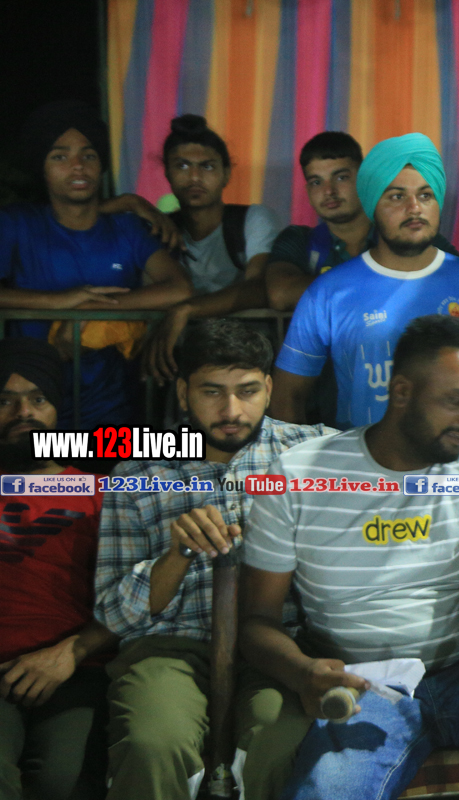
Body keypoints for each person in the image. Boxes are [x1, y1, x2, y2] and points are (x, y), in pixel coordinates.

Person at [239, 315, 459, 800]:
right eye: (456, 401)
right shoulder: (297, 476)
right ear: (401, 393)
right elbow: (256, 623)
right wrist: (303, 672)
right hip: (364, 682)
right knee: (326, 790)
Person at [92, 319, 334, 800]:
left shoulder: (316, 453)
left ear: (269, 389)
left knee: (280, 741)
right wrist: (176, 555)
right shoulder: (138, 470)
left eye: (248, 391)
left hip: (282, 645)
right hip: (168, 650)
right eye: (211, 392)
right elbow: (114, 614)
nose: (231, 410)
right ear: (183, 393)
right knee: (152, 742)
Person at [269, 134, 459, 457]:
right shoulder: (328, 292)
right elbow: (288, 397)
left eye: (425, 195)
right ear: (372, 205)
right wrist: (304, 475)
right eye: (397, 196)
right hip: (360, 473)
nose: (414, 208)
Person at [0, 101, 193, 428]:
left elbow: (179, 287)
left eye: (88, 156)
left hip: (114, 411)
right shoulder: (16, 223)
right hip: (29, 414)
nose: (77, 166)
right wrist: (59, 303)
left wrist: (90, 310)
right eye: (60, 157)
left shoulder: (128, 228)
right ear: (42, 168)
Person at [0, 338, 113, 800]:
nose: (23, 412)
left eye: (38, 398)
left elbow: (133, 597)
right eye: (5, 401)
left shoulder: (98, 492)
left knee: (60, 782)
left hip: (75, 668)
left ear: (56, 410)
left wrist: (70, 653)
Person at [142, 115, 285, 382]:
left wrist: (186, 310)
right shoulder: (159, 231)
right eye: (182, 165)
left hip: (247, 363)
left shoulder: (251, 220)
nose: (194, 177)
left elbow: (260, 287)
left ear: (226, 173)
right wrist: (130, 203)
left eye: (207, 166)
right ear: (167, 173)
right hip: (180, 369)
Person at [263, 131, 459, 314]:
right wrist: (397, 283)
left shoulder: (408, 230)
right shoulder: (299, 239)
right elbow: (281, 295)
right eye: (316, 182)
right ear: (307, 190)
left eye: (341, 177)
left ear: (365, 181)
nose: (329, 191)